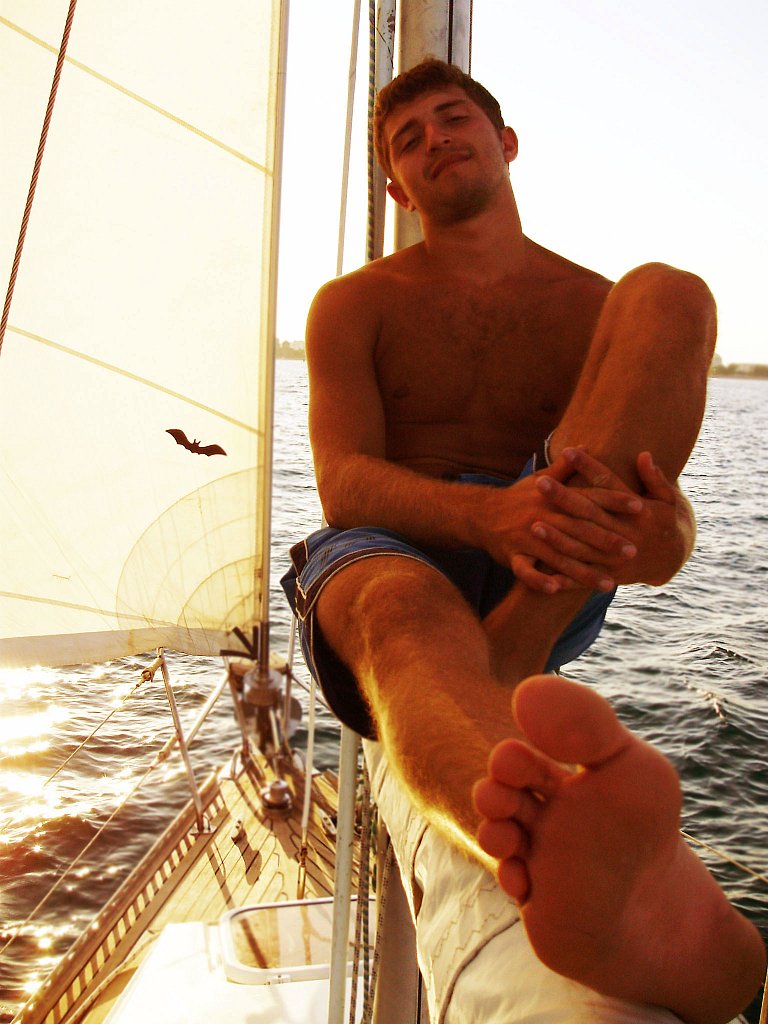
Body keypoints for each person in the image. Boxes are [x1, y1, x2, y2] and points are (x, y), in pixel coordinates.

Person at [282, 58, 766, 1022]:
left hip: (547, 571)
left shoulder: (592, 305)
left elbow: (667, 528)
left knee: (670, 292)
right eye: (408, 140)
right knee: (399, 609)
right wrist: (487, 517)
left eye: (452, 118)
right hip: (391, 543)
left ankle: (507, 658)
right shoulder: (354, 304)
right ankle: (537, 842)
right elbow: (344, 484)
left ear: (505, 142)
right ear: (396, 188)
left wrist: (657, 540)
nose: (434, 140)